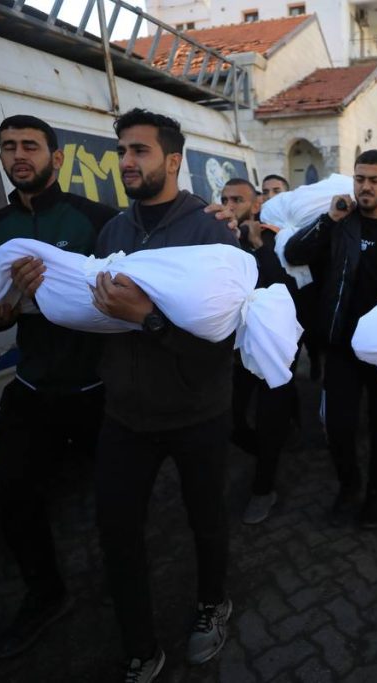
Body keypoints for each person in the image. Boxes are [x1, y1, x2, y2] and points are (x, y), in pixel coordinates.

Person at [90, 109, 240, 682]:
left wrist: (149, 320)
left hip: (197, 410)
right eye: (122, 151)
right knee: (116, 529)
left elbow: (220, 342)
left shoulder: (210, 231)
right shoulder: (113, 232)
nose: (126, 161)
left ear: (173, 160)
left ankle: (213, 603)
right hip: (125, 414)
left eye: (140, 151)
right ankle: (139, 643)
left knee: (206, 519)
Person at [0, 115, 117, 659]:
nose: (19, 155)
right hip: (32, 387)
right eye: (8, 146)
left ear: (55, 158)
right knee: (16, 497)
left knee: (115, 499)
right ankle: (45, 593)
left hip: (97, 389)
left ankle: (124, 580)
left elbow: (123, 292)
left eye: (30, 146)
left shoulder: (95, 219)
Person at [284, 150, 377, 528]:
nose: (365, 187)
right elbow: (294, 252)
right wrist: (328, 218)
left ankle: (376, 494)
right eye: (360, 179)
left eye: (374, 180)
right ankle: (349, 486)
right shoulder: (340, 223)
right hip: (341, 344)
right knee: (337, 426)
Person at [220, 177, 300, 524]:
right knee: (231, 419)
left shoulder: (275, 238)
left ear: (255, 205)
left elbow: (286, 289)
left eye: (237, 199)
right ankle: (269, 450)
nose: (229, 205)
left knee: (270, 418)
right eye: (224, 198)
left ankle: (263, 487)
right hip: (238, 351)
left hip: (272, 346)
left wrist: (258, 245)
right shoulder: (220, 239)